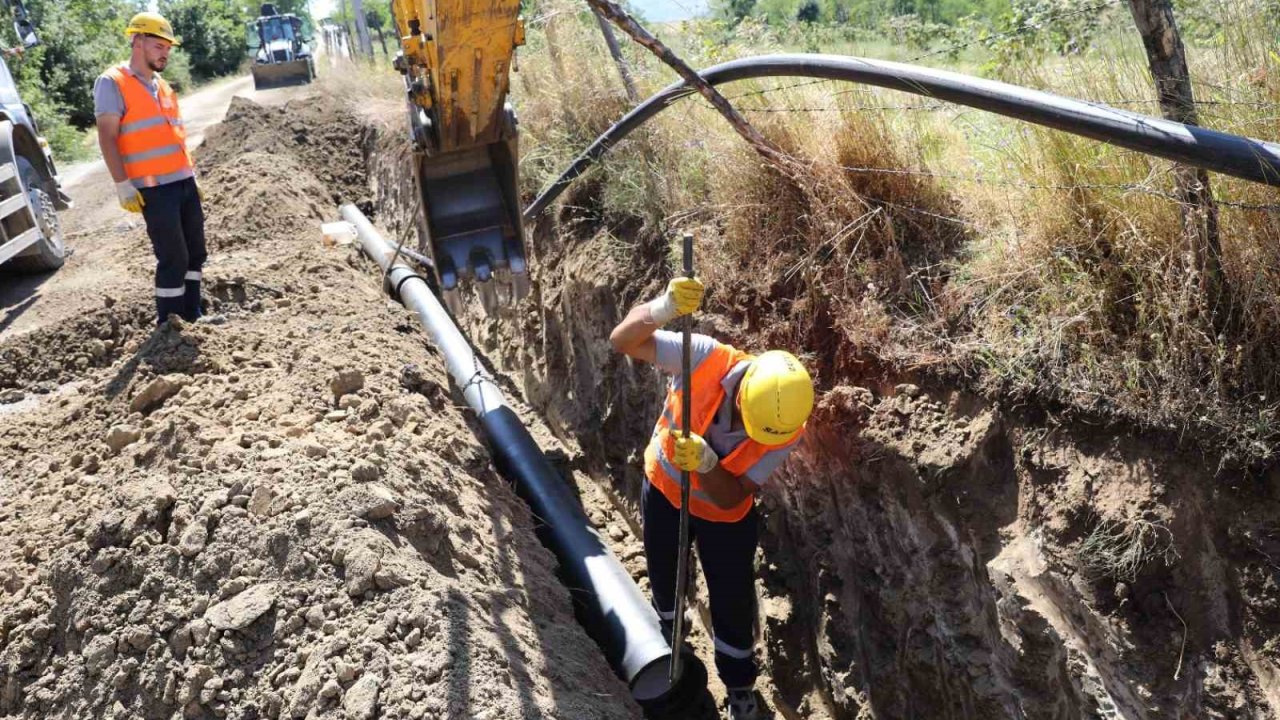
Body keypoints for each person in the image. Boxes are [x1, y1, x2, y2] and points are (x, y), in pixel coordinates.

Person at [609, 276, 815, 720]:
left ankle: (739, 686)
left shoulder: (784, 426)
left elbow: (733, 494)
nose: (745, 432)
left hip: (725, 517)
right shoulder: (704, 358)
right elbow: (623, 340)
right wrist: (662, 308)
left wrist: (707, 464)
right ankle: (666, 645)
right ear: (742, 392)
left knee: (731, 599)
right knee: (664, 574)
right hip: (664, 492)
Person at [94, 12, 206, 326]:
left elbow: (175, 136)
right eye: (159, 46)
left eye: (168, 48)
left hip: (183, 183)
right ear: (138, 41)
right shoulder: (112, 82)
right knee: (174, 258)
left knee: (196, 253)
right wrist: (122, 184)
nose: (165, 53)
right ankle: (170, 324)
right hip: (154, 190)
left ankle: (193, 315)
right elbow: (107, 136)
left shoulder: (163, 86)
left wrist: (190, 175)